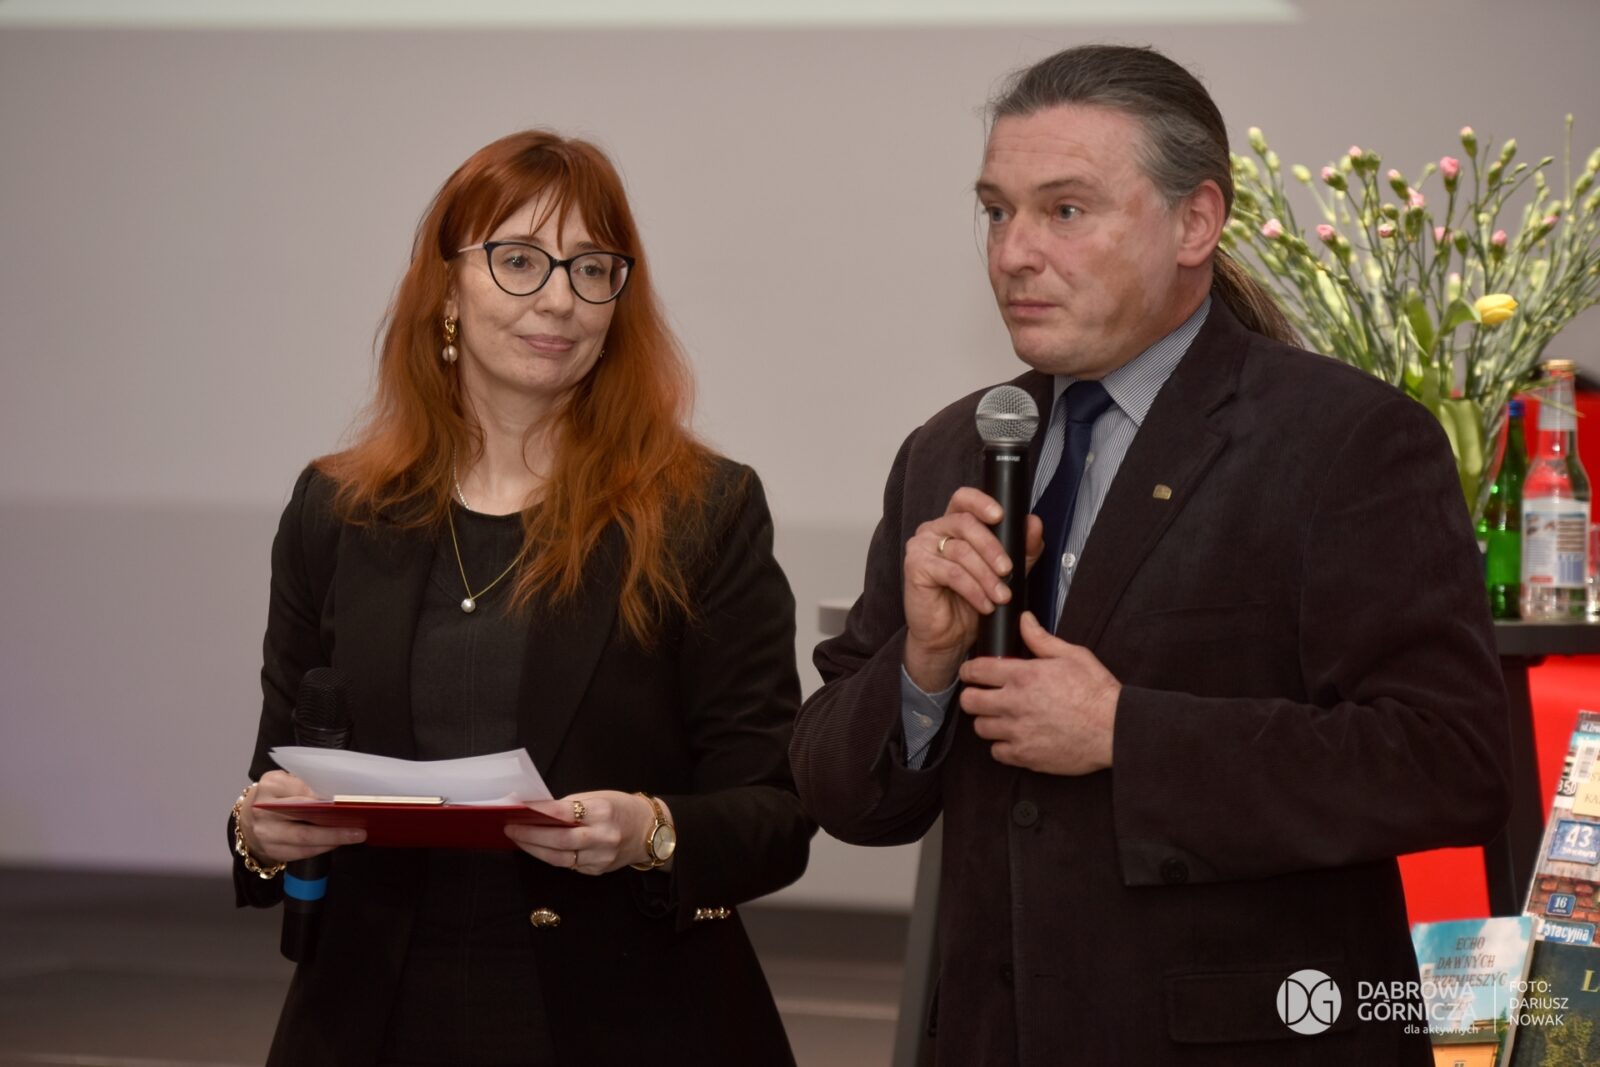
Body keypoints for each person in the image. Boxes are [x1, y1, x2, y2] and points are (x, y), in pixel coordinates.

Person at [790, 45, 1511, 1065]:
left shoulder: (1346, 441)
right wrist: (922, 665)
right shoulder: (951, 450)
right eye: (996, 212)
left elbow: (1449, 762)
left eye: (1064, 210)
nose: (1013, 253)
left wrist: (1127, 731)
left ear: (1195, 223)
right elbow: (837, 793)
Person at [228, 130, 813, 1067]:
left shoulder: (703, 509)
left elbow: (775, 813)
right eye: (519, 259)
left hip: (631, 1024)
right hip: (370, 1021)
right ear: (446, 287)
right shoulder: (336, 509)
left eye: (592, 268)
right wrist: (261, 830)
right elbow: (274, 778)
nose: (560, 298)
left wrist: (650, 830)